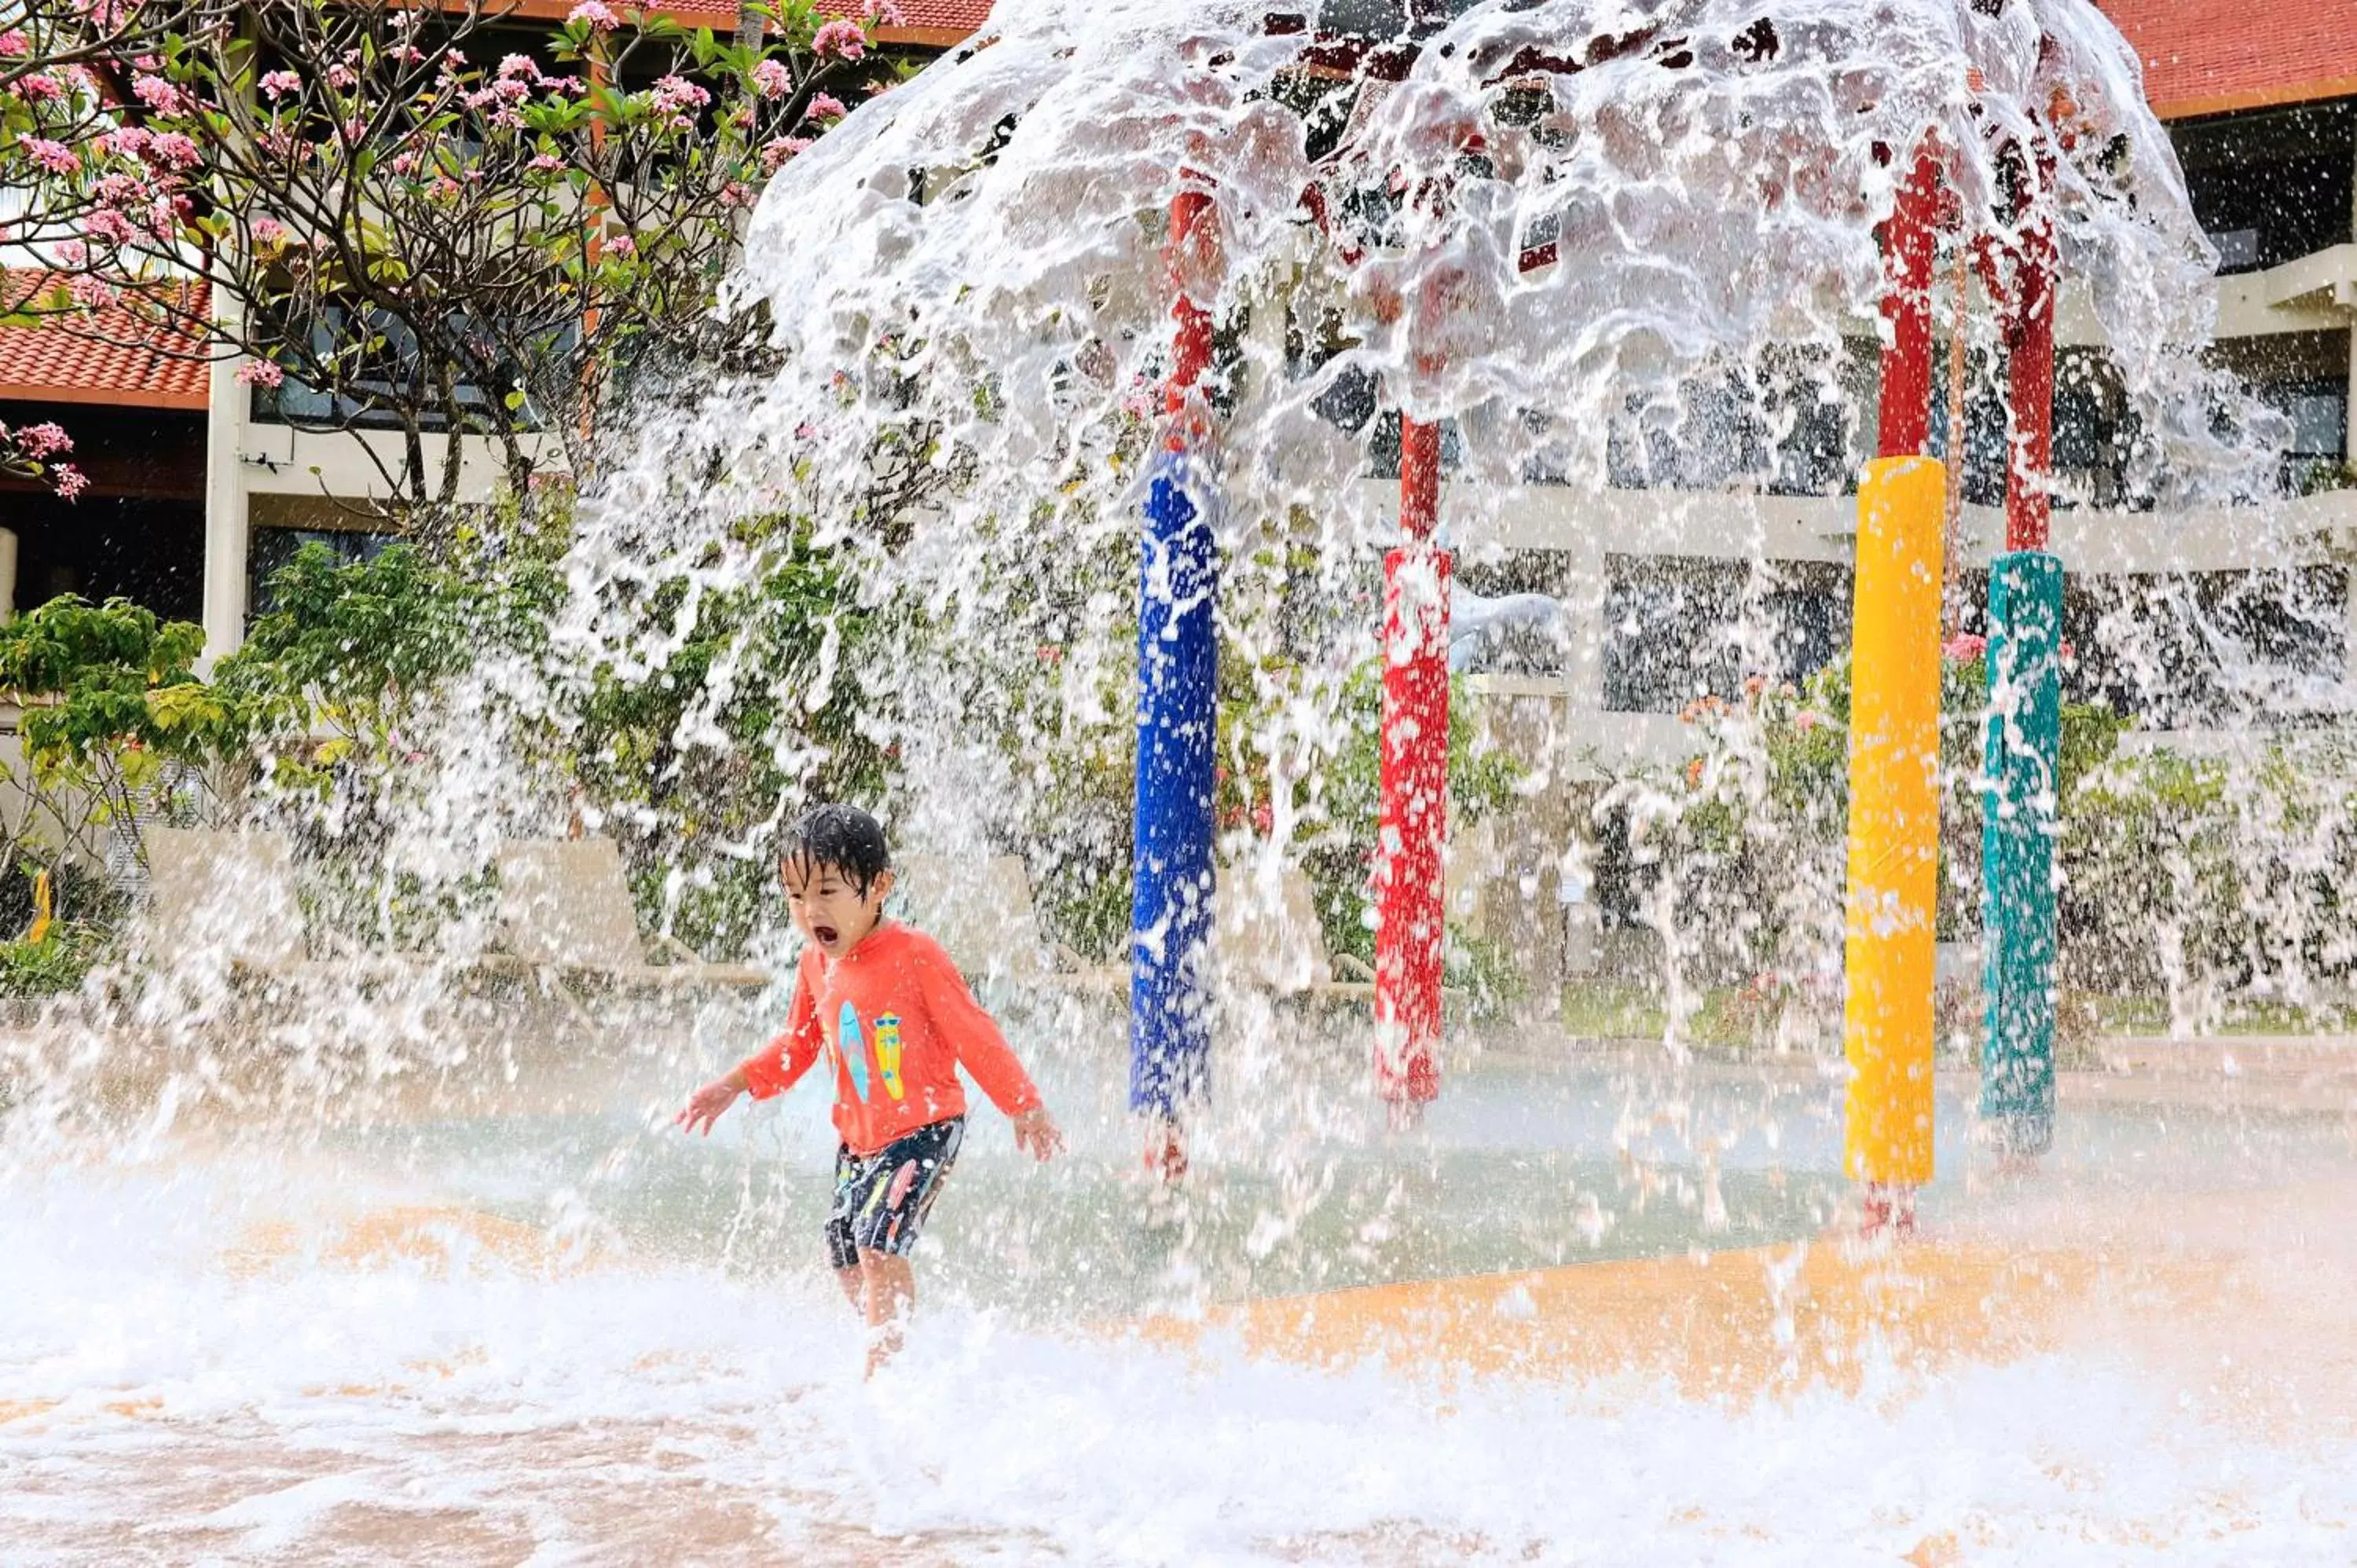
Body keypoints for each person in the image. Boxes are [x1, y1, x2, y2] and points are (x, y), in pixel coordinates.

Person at [676, 804, 1062, 1374]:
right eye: (795, 896)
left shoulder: (916, 955)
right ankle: (898, 1343)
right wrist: (734, 1084)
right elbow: (797, 1044)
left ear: (879, 885)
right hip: (859, 1142)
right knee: (846, 1257)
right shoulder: (816, 963)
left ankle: (883, 1375)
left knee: (878, 1247)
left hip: (925, 1130)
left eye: (828, 891)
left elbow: (973, 1031)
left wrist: (1023, 1104)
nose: (811, 912)